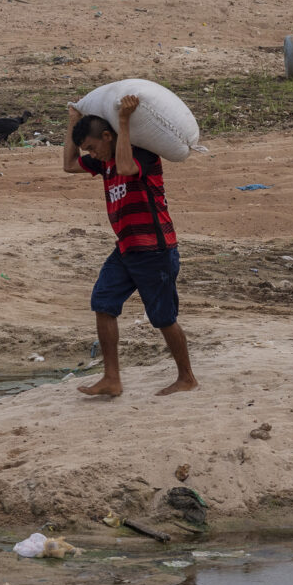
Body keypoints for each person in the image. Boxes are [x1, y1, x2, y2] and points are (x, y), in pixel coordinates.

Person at [61, 93, 197, 398]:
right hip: (125, 248)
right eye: (89, 151)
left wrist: (123, 120)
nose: (92, 156)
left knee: (163, 318)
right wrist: (72, 125)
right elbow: (69, 165)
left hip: (154, 249)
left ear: (109, 136)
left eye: (94, 148)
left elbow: (125, 167)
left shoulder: (143, 156)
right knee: (103, 303)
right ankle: (112, 378)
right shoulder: (104, 164)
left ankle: (187, 377)